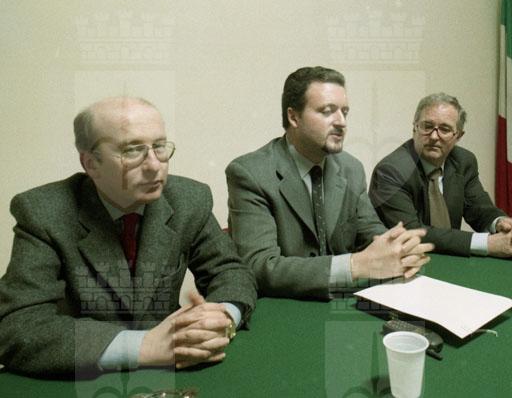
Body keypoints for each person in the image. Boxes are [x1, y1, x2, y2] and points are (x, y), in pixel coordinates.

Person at [0, 97, 257, 377]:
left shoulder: (188, 199)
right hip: (88, 377)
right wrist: (143, 347)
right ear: (91, 164)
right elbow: (18, 326)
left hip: (178, 369)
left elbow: (230, 271)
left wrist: (222, 316)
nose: (154, 165)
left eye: (159, 146)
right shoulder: (44, 212)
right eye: (132, 150)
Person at [225, 66, 433, 300]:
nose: (341, 122)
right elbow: (259, 267)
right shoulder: (250, 173)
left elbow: (370, 232)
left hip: (344, 304)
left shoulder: (351, 168)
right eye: (327, 111)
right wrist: (354, 266)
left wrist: (399, 249)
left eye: (345, 112)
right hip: (283, 306)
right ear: (294, 117)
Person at [369, 92, 512, 258]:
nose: (434, 136)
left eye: (444, 129)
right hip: (402, 262)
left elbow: (479, 209)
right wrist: (488, 244)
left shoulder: (463, 161)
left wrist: (502, 223)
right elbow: (411, 234)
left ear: (458, 136)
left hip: (450, 259)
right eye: (427, 126)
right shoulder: (390, 170)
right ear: (415, 128)